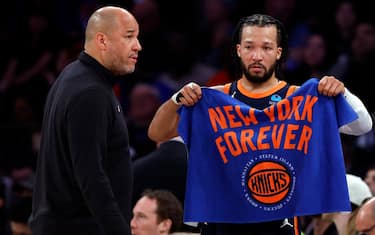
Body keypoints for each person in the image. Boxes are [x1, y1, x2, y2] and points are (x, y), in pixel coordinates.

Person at [148, 14, 373, 235]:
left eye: (266, 48)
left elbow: (363, 125)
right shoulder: (213, 99)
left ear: (278, 53)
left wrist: (343, 92)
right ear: (238, 50)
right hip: (222, 223)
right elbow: (157, 133)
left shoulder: (299, 100)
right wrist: (176, 98)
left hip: (278, 224)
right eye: (249, 47)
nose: (257, 56)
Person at [29, 6, 142, 235]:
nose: (138, 46)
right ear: (102, 40)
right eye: (129, 36)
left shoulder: (72, 76)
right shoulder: (92, 93)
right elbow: (92, 177)